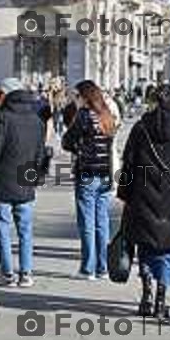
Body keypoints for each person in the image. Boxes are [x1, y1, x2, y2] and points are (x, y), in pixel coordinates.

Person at [117, 85, 170, 319]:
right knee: (169, 250)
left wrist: (125, 193)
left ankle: (146, 294)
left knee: (145, 246)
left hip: (143, 195)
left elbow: (129, 165)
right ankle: (161, 299)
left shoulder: (141, 128)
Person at [0, 78, 44, 287]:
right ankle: (26, 273)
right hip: (25, 177)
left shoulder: (3, 117)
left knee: (3, 225)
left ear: (7, 94)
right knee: (25, 228)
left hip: (4, 178)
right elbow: (40, 154)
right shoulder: (36, 119)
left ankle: (7, 273)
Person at [62, 80, 116, 280]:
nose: (75, 99)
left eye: (77, 95)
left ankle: (88, 268)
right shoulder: (107, 115)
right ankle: (103, 267)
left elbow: (67, 141)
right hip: (105, 174)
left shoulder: (84, 116)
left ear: (85, 96)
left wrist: (78, 147)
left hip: (87, 172)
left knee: (87, 222)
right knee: (102, 222)